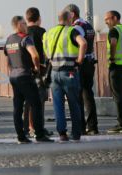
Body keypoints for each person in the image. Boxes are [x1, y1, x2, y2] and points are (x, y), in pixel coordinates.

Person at [4, 15, 54, 144]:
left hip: (14, 76)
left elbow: (8, 59)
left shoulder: (9, 40)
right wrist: (37, 68)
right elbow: (35, 55)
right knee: (36, 104)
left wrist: (12, 70)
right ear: (19, 25)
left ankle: (21, 136)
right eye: (24, 24)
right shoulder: (25, 39)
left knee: (18, 107)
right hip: (25, 76)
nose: (26, 26)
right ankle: (39, 135)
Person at [43, 11, 87, 142]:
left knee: (58, 104)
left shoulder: (48, 33)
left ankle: (62, 133)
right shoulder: (71, 31)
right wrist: (80, 60)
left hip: (54, 72)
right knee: (74, 103)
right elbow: (83, 43)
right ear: (69, 18)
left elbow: (46, 52)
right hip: (69, 71)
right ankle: (76, 133)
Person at [64, 4, 99, 135]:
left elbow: (80, 44)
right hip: (90, 63)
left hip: (81, 63)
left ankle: (81, 127)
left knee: (78, 97)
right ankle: (93, 126)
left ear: (72, 14)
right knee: (88, 95)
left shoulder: (76, 27)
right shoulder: (88, 25)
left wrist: (77, 60)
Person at [23, 7, 53, 137]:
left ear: (27, 18)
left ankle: (28, 128)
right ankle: (38, 127)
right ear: (39, 19)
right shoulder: (42, 32)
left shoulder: (23, 33)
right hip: (39, 69)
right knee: (40, 100)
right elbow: (48, 51)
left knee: (27, 101)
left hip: (24, 70)